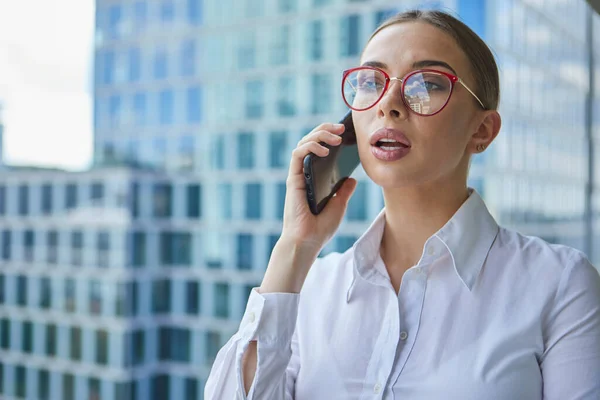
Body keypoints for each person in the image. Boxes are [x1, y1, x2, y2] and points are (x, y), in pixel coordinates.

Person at [205, 9, 600, 400]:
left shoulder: (560, 284)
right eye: (370, 81)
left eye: (427, 84)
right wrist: (295, 245)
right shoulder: (312, 288)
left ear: (482, 130)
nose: (388, 104)